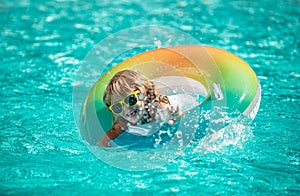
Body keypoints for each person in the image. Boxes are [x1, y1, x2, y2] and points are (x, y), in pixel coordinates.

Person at [96, 70, 184, 148]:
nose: (127, 108)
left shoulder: (158, 106)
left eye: (130, 99)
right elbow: (102, 143)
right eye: (117, 107)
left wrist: (174, 121)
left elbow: (174, 122)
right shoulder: (124, 121)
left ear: (143, 92)